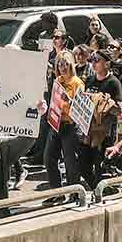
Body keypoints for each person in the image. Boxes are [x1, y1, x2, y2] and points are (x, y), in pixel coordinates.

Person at [77, 50, 122, 187]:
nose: (93, 63)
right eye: (92, 60)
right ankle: (95, 188)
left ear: (107, 63)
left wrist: (104, 103)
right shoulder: (90, 79)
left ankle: (102, 193)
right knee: (83, 166)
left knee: (100, 168)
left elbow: (119, 109)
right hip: (88, 131)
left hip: (104, 133)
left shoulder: (114, 83)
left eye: (97, 60)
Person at [42, 51, 83, 189]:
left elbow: (80, 109)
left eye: (65, 64)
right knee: (48, 158)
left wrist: (69, 101)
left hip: (70, 126)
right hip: (56, 124)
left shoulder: (77, 83)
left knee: (70, 162)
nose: (62, 67)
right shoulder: (57, 80)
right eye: (59, 64)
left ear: (71, 64)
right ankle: (56, 191)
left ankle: (74, 192)